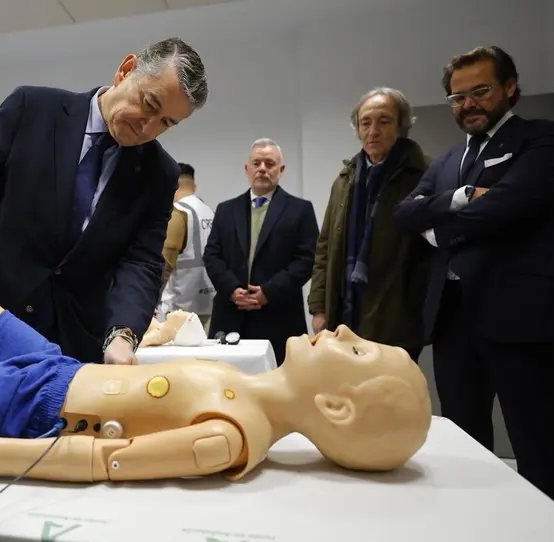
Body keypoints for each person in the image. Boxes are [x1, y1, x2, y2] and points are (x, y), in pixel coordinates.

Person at [0, 173, 432, 482]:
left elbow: (105, 461)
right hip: (63, 369)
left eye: (357, 353)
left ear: (336, 407)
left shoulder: (230, 435)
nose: (345, 333)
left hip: (41, 405)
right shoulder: (246, 390)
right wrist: (158, 334)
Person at [0, 38, 209, 366]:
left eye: (166, 123)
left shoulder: (159, 174)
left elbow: (141, 263)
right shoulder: (32, 109)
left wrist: (122, 335)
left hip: (75, 346)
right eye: (149, 103)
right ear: (126, 70)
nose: (148, 127)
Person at [394, 46, 554, 513]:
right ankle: (475, 529)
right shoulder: (447, 162)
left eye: (480, 91)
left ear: (509, 87)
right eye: (457, 98)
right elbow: (402, 215)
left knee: (538, 444)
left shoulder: (545, 139)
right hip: (454, 319)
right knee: (465, 444)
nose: (468, 105)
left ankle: (549, 541)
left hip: (520, 315)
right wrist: (459, 198)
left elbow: (510, 206)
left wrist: (436, 228)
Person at [307, 87, 430, 363]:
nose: (373, 130)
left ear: (401, 126)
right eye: (365, 122)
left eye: (384, 121)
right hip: (344, 312)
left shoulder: (423, 175)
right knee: (347, 396)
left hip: (397, 316)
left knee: (389, 396)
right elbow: (324, 247)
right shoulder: (345, 179)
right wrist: (319, 308)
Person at [203, 139, 319, 362]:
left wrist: (269, 292)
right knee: (225, 385)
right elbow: (212, 255)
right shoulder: (226, 210)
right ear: (247, 169)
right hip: (230, 315)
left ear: (281, 170)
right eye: (256, 163)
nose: (262, 169)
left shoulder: (300, 210)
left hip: (278, 315)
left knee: (279, 386)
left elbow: (307, 260)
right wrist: (232, 289)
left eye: (269, 163)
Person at [156, 163, 216, 328]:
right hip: (208, 303)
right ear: (194, 186)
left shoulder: (178, 213)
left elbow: (165, 265)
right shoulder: (209, 211)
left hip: (180, 308)